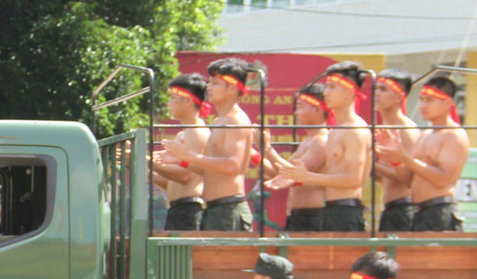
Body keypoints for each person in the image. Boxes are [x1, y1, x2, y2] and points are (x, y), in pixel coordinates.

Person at [272, 62, 372, 233]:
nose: (326, 92)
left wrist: (308, 176)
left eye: (332, 87)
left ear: (349, 92)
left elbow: (354, 180)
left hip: (346, 211)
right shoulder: (335, 131)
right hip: (329, 210)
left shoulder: (355, 130)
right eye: (327, 87)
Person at [159, 58, 257, 232]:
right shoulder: (220, 120)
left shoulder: (236, 120)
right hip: (215, 209)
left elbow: (232, 166)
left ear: (232, 89)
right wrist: (181, 161)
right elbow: (211, 171)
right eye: (209, 82)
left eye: (215, 83)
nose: (208, 87)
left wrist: (190, 156)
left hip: (228, 209)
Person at [377, 76, 470, 232]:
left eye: (430, 100)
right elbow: (408, 180)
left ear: (447, 103)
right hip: (419, 212)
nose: (423, 105)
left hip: (439, 211)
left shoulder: (454, 135)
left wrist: (405, 158)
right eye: (421, 100)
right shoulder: (425, 134)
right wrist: (396, 160)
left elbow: (443, 179)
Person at [151, 73, 211, 231]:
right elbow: (171, 183)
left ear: (187, 100)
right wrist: (143, 167)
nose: (168, 103)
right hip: (178, 209)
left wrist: (147, 162)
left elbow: (184, 176)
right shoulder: (184, 134)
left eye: (172, 98)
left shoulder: (198, 132)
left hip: (190, 210)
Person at [271, 83, 331, 232]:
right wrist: (256, 157)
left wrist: (267, 149)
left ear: (317, 109)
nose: (296, 113)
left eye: (301, 107)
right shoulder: (307, 141)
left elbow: (292, 174)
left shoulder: (321, 140)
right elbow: (280, 174)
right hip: (297, 216)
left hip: (312, 216)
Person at [372, 70, 420, 232]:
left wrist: (373, 165)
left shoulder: (406, 130)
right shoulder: (382, 128)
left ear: (399, 96)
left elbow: (409, 180)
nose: (377, 94)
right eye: (376, 89)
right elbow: (385, 177)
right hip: (389, 208)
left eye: (383, 90)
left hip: (403, 207)